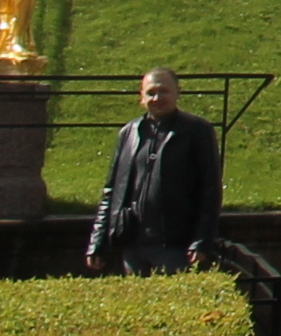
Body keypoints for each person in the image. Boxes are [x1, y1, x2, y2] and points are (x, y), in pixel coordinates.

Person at [85, 69, 224, 275]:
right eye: (151, 92)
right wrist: (97, 243)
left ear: (178, 93)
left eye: (164, 91)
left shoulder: (197, 131)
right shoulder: (129, 132)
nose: (157, 98)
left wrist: (201, 241)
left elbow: (210, 190)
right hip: (133, 244)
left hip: (176, 244)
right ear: (141, 97)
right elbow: (112, 191)